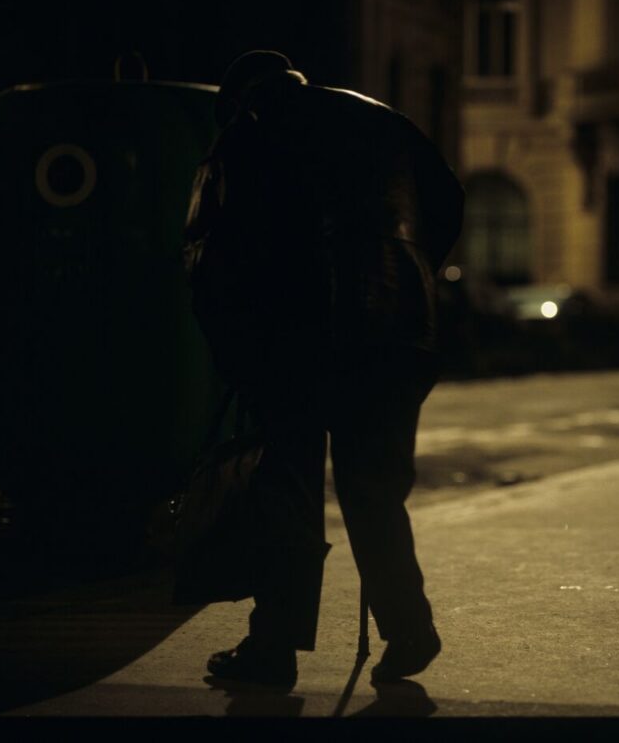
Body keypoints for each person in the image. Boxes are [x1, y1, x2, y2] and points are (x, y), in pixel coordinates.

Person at [182, 51, 464, 687]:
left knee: (288, 493)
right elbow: (445, 200)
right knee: (375, 493)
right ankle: (409, 627)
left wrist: (233, 355)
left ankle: (273, 648)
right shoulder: (386, 121)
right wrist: (406, 267)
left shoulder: (245, 135)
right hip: (394, 335)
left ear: (241, 99)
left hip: (293, 338)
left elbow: (209, 257)